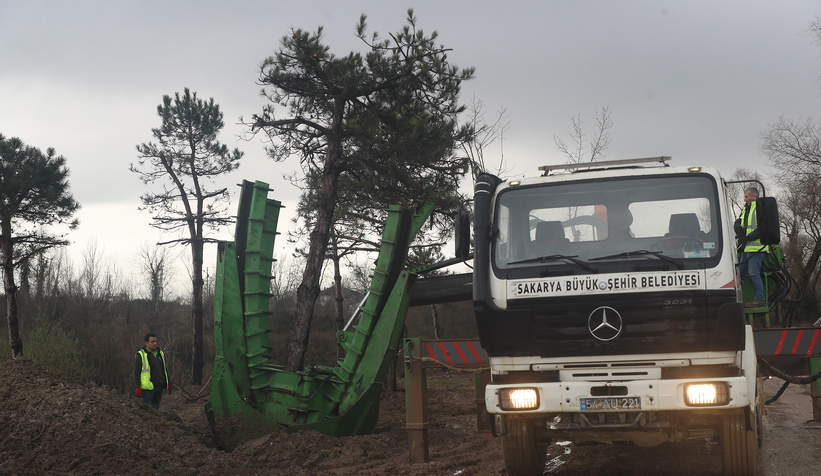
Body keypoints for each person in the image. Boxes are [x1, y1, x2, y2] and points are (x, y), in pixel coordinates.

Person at [734, 187, 767, 308]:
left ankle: (760, 299)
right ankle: (735, 298)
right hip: (746, 248)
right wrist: (738, 228)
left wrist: (747, 237)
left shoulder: (760, 209)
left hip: (756, 248)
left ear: (754, 196)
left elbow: (762, 229)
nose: (744, 199)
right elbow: (738, 221)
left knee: (753, 273)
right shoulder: (746, 209)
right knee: (740, 274)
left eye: (746, 197)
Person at [134, 333, 172, 408]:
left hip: (159, 386)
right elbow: (136, 372)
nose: (155, 343)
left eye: (156, 341)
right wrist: (138, 386)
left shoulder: (160, 353)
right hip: (148, 388)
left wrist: (168, 383)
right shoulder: (141, 355)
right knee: (148, 409)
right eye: (152, 342)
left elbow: (164, 369)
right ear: (146, 343)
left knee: (156, 408)